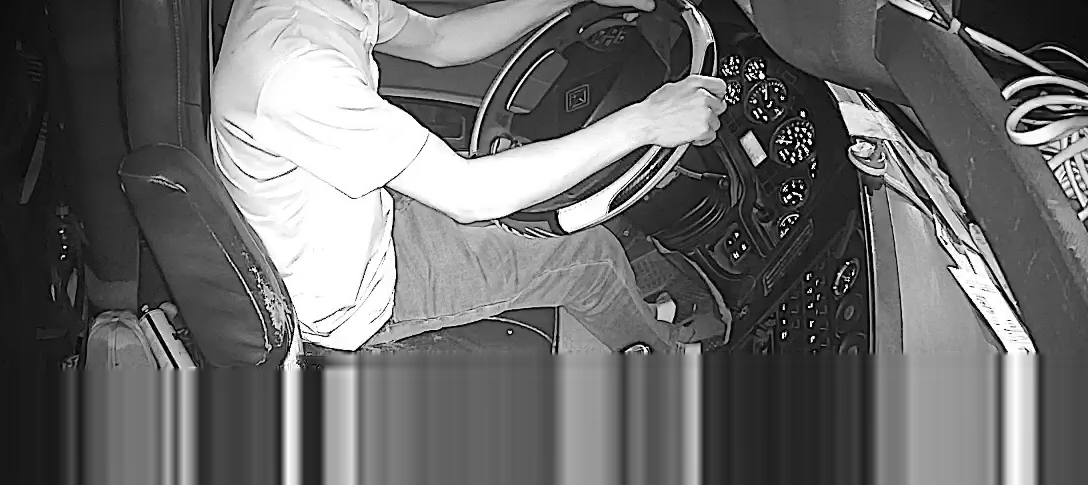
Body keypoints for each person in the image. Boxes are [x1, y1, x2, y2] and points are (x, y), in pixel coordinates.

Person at [212, 0, 730, 353]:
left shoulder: (322, 7)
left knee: (536, 186)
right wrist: (646, 121)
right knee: (591, 257)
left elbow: (440, 41)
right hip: (353, 297)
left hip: (351, 218)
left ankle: (637, 311)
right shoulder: (295, 71)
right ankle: (672, 359)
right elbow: (469, 194)